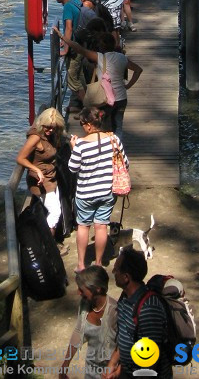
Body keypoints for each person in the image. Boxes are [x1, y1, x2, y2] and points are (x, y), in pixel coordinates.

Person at [66, 105, 129, 272]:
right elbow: (125, 163)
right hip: (107, 192)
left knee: (83, 226)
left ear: (88, 125)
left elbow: (72, 168)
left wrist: (73, 148)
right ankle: (99, 263)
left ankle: (81, 265)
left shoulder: (81, 145)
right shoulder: (114, 139)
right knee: (101, 226)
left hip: (85, 193)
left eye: (81, 124)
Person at [54, 28, 142, 141]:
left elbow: (79, 49)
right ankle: (118, 150)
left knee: (104, 127)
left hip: (105, 100)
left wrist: (62, 36)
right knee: (118, 126)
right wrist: (128, 86)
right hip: (121, 98)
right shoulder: (122, 57)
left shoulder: (100, 57)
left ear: (103, 46)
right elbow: (138, 70)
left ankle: (107, 151)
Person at [106, 246, 171, 379]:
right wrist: (113, 363)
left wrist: (121, 373)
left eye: (116, 269)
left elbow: (150, 359)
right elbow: (125, 335)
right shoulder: (125, 297)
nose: (113, 271)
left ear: (126, 277)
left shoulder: (149, 309)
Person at [16, 107, 68, 247]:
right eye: (47, 128)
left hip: (51, 177)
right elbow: (21, 158)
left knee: (52, 210)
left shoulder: (52, 135)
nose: (50, 131)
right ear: (41, 124)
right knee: (55, 212)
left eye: (53, 128)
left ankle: (46, 241)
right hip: (41, 181)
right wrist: (35, 169)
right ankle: (47, 244)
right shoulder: (35, 137)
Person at [60, 265, 118, 379]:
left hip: (111, 373)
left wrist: (116, 372)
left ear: (97, 289)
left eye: (82, 290)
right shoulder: (85, 304)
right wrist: (65, 364)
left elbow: (125, 345)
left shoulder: (114, 311)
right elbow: (78, 333)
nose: (78, 293)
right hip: (91, 370)